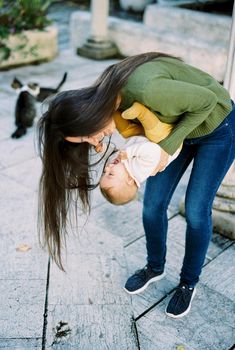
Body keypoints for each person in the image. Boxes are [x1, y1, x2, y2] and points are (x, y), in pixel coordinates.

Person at [37, 52, 235, 319]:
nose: (94, 142)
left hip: (216, 125)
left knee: (197, 210)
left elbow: (208, 102)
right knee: (152, 205)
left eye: (86, 134)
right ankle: (155, 267)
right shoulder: (112, 98)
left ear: (87, 112)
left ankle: (188, 282)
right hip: (177, 127)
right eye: (85, 141)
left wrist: (166, 146)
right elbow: (146, 129)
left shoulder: (144, 89)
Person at [100, 102, 182, 205]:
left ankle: (113, 109)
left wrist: (103, 149)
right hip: (166, 142)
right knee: (155, 132)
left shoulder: (118, 166)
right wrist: (129, 153)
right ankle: (141, 112)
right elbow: (153, 150)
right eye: (110, 174)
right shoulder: (141, 170)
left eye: (104, 172)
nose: (107, 168)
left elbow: (113, 154)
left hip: (140, 136)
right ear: (129, 179)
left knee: (124, 129)